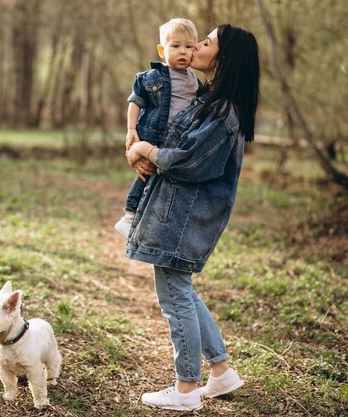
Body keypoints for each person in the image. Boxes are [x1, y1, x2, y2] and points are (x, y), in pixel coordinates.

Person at [125, 24, 260, 411]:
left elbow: (189, 161)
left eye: (206, 42)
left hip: (183, 216)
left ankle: (185, 389)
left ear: (223, 57)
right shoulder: (207, 99)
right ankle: (220, 372)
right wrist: (137, 147)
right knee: (181, 289)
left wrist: (149, 151)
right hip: (174, 209)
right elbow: (164, 136)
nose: (197, 47)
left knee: (174, 295)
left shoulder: (223, 111)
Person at [114, 18, 201, 238]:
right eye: (176, 46)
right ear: (162, 51)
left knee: (159, 181)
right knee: (145, 174)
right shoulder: (153, 77)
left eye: (188, 46)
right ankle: (129, 215)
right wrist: (131, 129)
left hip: (176, 141)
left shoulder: (195, 81)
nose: (183, 51)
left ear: (195, 49)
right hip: (153, 135)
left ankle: (144, 219)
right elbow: (136, 101)